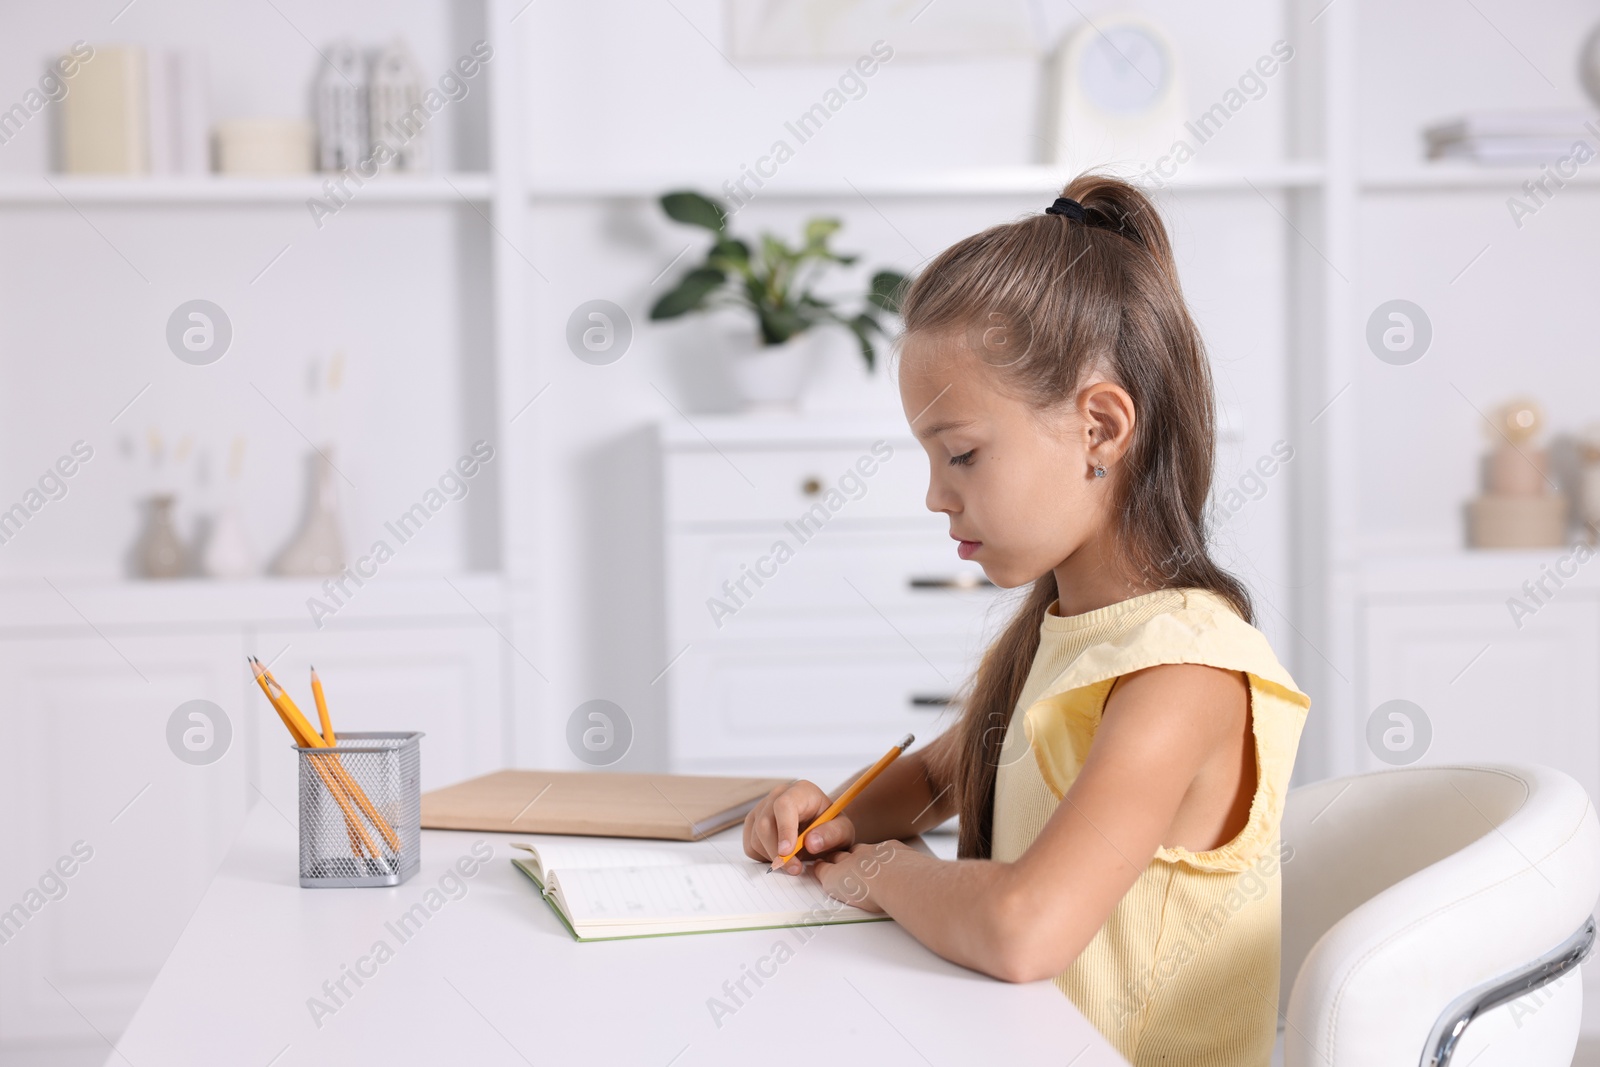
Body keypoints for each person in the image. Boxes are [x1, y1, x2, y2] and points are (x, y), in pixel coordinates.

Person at [743, 174, 1311, 1066]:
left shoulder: (1185, 671)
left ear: (1099, 427)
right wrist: (829, 813)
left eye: (962, 453)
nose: (936, 495)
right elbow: (941, 773)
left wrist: (882, 871)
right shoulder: (1068, 635)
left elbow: (1025, 929)